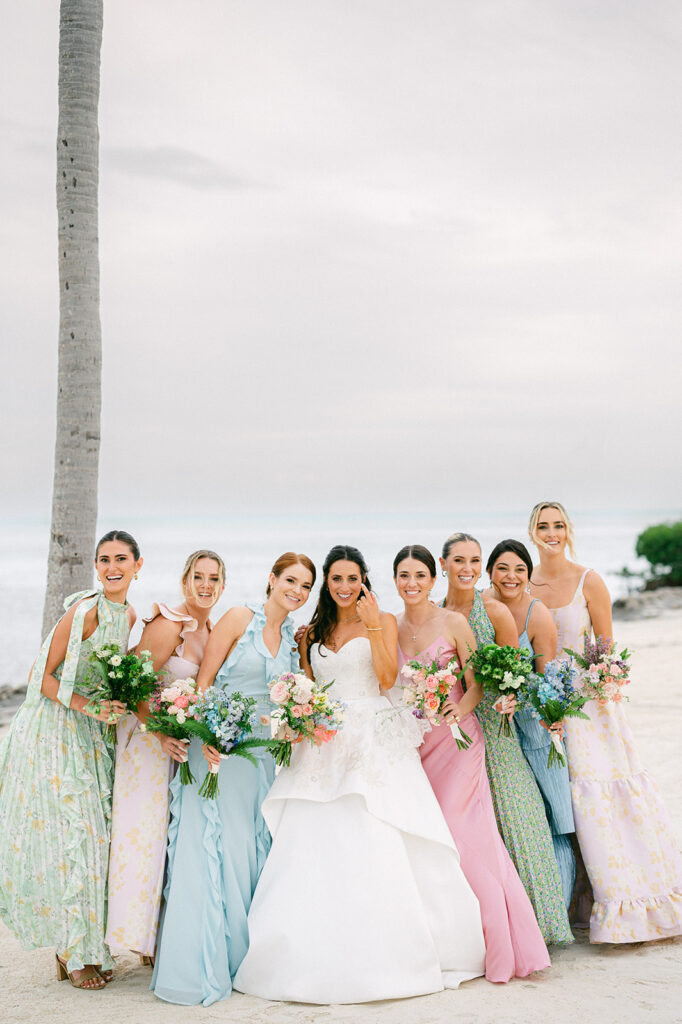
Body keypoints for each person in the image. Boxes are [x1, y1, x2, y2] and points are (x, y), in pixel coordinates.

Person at [234, 545, 486, 1004]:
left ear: (364, 580)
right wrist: (302, 712)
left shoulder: (384, 620)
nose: (345, 587)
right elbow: (309, 684)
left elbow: (388, 679)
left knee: (376, 831)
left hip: (372, 736)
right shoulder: (314, 630)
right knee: (315, 839)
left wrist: (372, 626)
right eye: (336, 580)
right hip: (323, 741)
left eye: (353, 578)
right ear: (326, 584)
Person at [151, 552, 315, 1006]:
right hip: (218, 751)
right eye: (290, 581)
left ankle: (244, 959)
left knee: (247, 849)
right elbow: (205, 682)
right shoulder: (240, 617)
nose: (296, 592)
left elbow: (294, 698)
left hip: (260, 757)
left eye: (304, 587)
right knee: (211, 850)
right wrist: (205, 734)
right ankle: (201, 966)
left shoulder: (289, 639)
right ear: (271, 579)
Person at [393, 545, 550, 981]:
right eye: (404, 576)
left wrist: (459, 711)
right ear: (395, 581)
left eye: (419, 575)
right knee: (439, 840)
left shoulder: (455, 622)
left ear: (433, 576)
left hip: (460, 742)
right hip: (417, 746)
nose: (412, 583)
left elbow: (476, 680)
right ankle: (457, 939)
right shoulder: (394, 626)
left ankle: (506, 946)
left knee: (472, 838)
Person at [529, 501, 682, 943]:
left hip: (592, 709)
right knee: (562, 800)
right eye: (543, 526)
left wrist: (603, 680)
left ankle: (619, 898)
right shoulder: (525, 580)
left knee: (597, 797)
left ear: (568, 530)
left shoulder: (588, 580)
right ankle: (574, 895)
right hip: (545, 702)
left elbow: (608, 646)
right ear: (532, 531)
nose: (551, 533)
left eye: (558, 525)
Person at [0, 530, 141, 990]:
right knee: (75, 839)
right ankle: (72, 953)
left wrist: (119, 703)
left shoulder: (129, 614)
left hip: (93, 734)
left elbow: (113, 673)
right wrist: (91, 706)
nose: (112, 566)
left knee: (99, 841)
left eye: (121, 558)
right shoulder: (85, 611)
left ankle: (87, 948)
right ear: (96, 566)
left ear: (138, 565)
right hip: (57, 730)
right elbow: (38, 676)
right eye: (104, 559)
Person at [441, 532, 572, 946]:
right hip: (452, 732)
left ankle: (544, 924)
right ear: (443, 564)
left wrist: (511, 696)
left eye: (474, 560)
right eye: (459, 560)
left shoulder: (494, 610)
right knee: (473, 827)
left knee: (521, 818)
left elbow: (516, 669)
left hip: (497, 730)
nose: (467, 568)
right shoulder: (437, 612)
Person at [106, 549, 226, 962]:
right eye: (198, 577)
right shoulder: (169, 623)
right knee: (141, 839)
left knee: (169, 842)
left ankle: (153, 940)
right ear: (184, 581)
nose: (205, 585)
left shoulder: (211, 633)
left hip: (180, 748)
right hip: (146, 744)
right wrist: (157, 731)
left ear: (223, 586)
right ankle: (130, 938)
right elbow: (130, 683)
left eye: (214, 578)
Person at [484, 539, 576, 909]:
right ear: (490, 571)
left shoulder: (537, 615)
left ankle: (559, 909)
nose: (511, 576)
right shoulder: (479, 607)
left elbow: (547, 681)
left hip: (535, 730)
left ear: (529, 575)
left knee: (553, 822)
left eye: (520, 569)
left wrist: (530, 708)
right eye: (503, 568)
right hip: (494, 732)